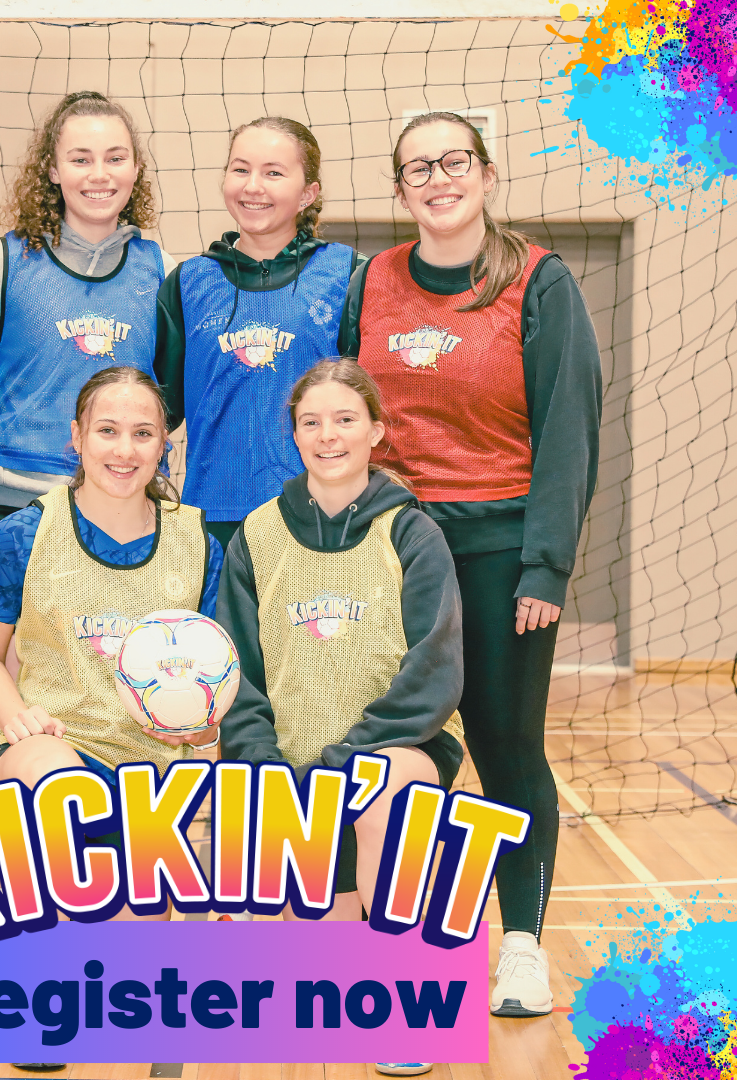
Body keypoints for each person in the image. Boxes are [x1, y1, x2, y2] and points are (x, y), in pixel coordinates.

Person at [340, 111, 602, 1019]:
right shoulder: (372, 281)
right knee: (389, 748)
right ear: (400, 188)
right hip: (393, 550)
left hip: (498, 551)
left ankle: (520, 947)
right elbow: (348, 411)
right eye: (418, 167)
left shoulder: (541, 282)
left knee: (505, 746)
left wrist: (546, 566)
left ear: (486, 174)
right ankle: (389, 946)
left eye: (454, 161)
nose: (438, 178)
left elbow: (569, 429)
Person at [218, 359, 464, 1080]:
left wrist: (346, 759)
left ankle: (406, 1002)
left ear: (377, 431)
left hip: (394, 747)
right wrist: (263, 763)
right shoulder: (258, 534)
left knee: (384, 792)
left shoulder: (412, 532)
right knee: (318, 981)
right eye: (312, 422)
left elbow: (434, 672)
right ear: (294, 435)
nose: (328, 435)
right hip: (287, 760)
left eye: (345, 419)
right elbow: (236, 669)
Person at [0, 90, 176, 779]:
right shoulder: (0, 262)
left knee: (108, 687)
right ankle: (2, 836)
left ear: (136, 169)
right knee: (8, 706)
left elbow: (168, 399)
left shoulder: (160, 269)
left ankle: (113, 826)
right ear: (52, 169)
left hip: (116, 510)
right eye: (81, 158)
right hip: (15, 504)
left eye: (115, 157)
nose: (99, 173)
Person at [0, 365, 222, 873]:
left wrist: (203, 737)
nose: (124, 450)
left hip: (154, 766)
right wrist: (16, 716)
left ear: (163, 446)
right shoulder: (24, 533)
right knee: (65, 793)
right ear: (78, 437)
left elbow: (214, 679)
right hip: (54, 745)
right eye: (107, 430)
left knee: (132, 924)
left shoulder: (199, 545)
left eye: (143, 434)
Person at [154, 117, 366, 553]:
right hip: (213, 518)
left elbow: (370, 406)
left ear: (308, 193)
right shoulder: (188, 282)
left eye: (273, 172)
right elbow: (159, 412)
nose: (253, 186)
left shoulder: (347, 274)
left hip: (322, 516)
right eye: (240, 169)